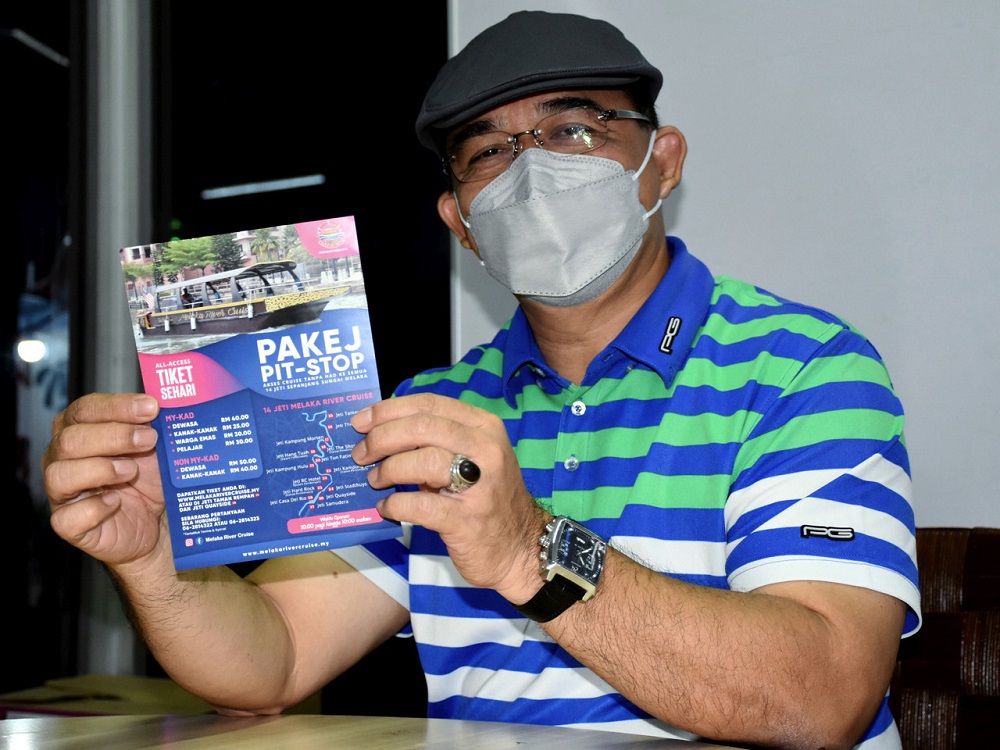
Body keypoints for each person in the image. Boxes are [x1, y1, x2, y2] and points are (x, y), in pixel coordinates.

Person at [42, 10, 919, 750]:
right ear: (460, 221)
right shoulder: (434, 414)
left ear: (663, 160)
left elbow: (823, 697)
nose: (533, 170)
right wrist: (151, 558)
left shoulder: (805, 366)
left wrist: (527, 549)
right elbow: (273, 661)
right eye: (490, 151)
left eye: (574, 129)